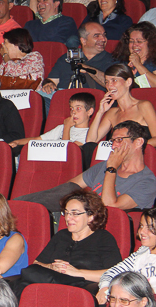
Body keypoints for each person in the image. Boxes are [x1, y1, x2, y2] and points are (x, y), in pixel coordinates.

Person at [19, 121, 156, 211]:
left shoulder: (147, 182)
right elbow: (68, 188)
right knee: (69, 189)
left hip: (102, 227)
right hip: (79, 215)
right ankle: (17, 205)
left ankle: (17, 206)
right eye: (113, 141)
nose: (114, 145)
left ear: (138, 142)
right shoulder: (104, 166)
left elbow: (109, 206)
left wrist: (111, 169)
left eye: (119, 140)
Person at [88, 65, 156, 148]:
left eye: (114, 80)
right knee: (89, 147)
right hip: (117, 154)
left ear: (128, 82)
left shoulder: (143, 106)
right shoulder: (112, 113)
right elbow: (90, 141)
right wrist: (100, 112)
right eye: (107, 82)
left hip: (139, 153)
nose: (109, 86)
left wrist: (131, 147)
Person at [98, 208, 156, 303]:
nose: (142, 231)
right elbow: (111, 273)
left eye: (150, 228)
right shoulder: (141, 252)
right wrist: (105, 288)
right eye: (141, 226)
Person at [42, 22, 113, 93]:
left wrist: (86, 68)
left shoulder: (111, 60)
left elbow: (112, 84)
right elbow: (52, 80)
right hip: (63, 95)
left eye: (104, 35)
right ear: (83, 41)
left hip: (90, 97)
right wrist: (48, 84)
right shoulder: (67, 58)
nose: (103, 39)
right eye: (96, 36)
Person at [10, 92, 95, 148]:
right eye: (71, 108)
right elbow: (38, 139)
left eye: (78, 108)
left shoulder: (89, 134)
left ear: (89, 111)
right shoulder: (61, 128)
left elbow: (67, 150)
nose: (73, 112)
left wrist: (67, 127)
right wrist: (17, 142)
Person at [116, 22, 156, 86]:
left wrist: (138, 65)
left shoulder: (153, 62)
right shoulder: (122, 62)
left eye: (139, 41)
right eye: (131, 41)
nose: (134, 45)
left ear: (150, 43)